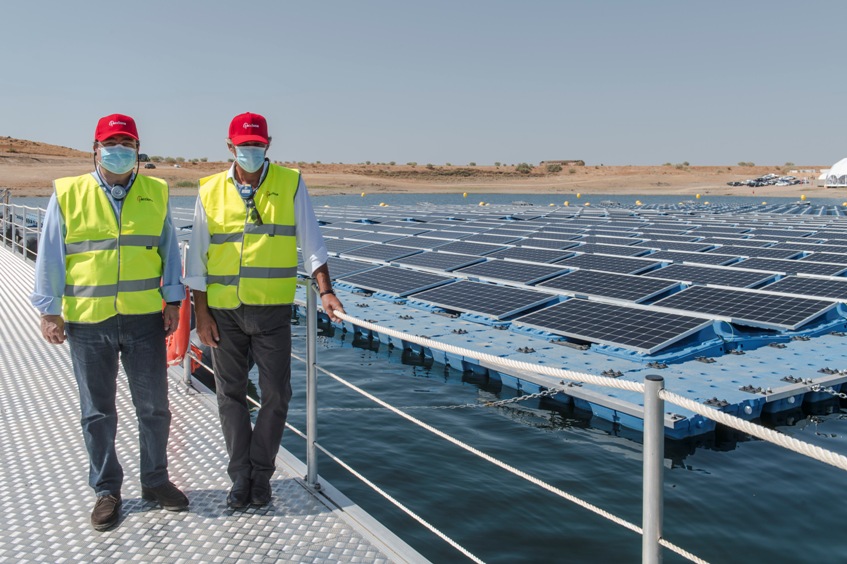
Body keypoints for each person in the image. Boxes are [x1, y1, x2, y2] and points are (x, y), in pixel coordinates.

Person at [31, 113, 189, 531]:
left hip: (143, 320)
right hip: (88, 322)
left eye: (127, 143)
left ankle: (155, 481)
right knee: (97, 413)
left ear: (137, 151)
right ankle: (106, 490)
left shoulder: (156, 191)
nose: (119, 150)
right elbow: (50, 254)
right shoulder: (68, 192)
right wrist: (49, 310)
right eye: (111, 143)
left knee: (154, 408)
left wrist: (173, 298)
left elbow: (168, 249)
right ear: (96, 148)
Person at [183, 112, 344, 509]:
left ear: (268, 144)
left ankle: (262, 473)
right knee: (229, 395)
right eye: (243, 145)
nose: (250, 151)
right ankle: (241, 478)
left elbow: (312, 241)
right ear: (230, 146)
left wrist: (326, 291)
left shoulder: (290, 183)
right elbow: (198, 259)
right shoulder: (209, 189)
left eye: (257, 145)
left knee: (276, 395)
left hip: (271, 310)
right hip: (224, 313)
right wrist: (200, 314)